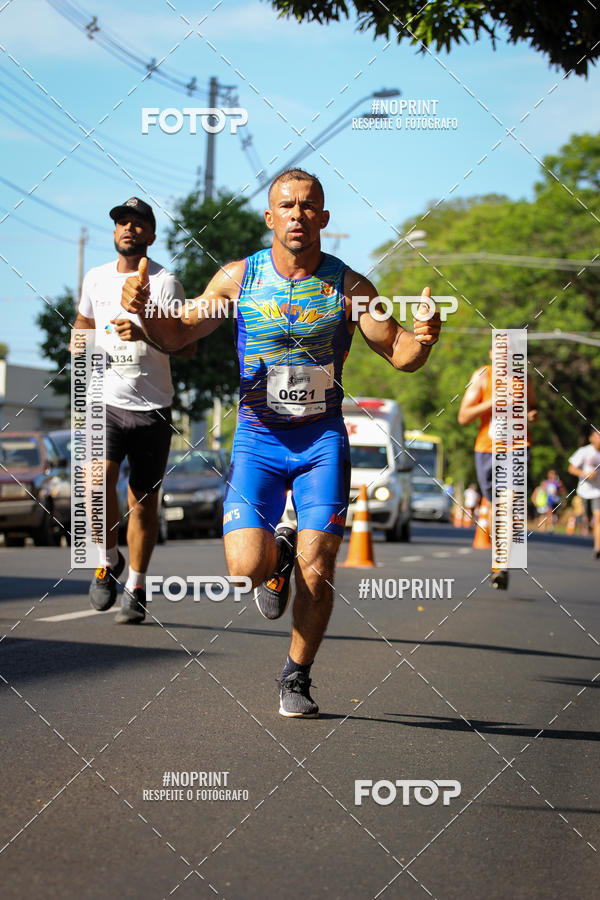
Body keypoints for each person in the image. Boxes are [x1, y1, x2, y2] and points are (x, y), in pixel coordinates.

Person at [121, 167, 441, 717]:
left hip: (321, 443)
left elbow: (400, 352)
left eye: (308, 205)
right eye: (287, 206)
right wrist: (145, 309)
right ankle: (276, 558)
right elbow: (178, 333)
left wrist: (426, 338)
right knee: (244, 569)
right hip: (258, 440)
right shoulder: (237, 279)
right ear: (270, 217)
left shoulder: (351, 288)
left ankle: (297, 675)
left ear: (324, 217)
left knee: (319, 568)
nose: (298, 214)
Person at [72, 197, 193, 623]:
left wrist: (142, 333)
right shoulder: (95, 278)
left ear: (151, 235)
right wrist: (79, 345)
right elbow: (84, 324)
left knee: (142, 502)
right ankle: (107, 560)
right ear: (114, 232)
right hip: (104, 401)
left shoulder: (166, 283)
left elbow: (186, 345)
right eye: (122, 222)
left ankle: (137, 585)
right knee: (95, 485)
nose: (129, 228)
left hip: (152, 406)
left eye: (138, 223)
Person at [458, 350, 538, 590]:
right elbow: (463, 417)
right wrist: (494, 402)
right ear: (493, 353)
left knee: (508, 502)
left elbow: (534, 407)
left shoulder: (525, 379)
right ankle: (498, 562)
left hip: (517, 447)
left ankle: (502, 565)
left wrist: (532, 414)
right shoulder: (483, 376)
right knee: (495, 506)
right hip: (487, 449)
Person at [568, 429, 600, 558]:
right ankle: (588, 525)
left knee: (598, 518)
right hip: (584, 491)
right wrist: (585, 474)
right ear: (591, 438)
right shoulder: (584, 451)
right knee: (587, 519)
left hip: (598, 491)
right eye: (598, 436)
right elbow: (571, 468)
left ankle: (597, 547)